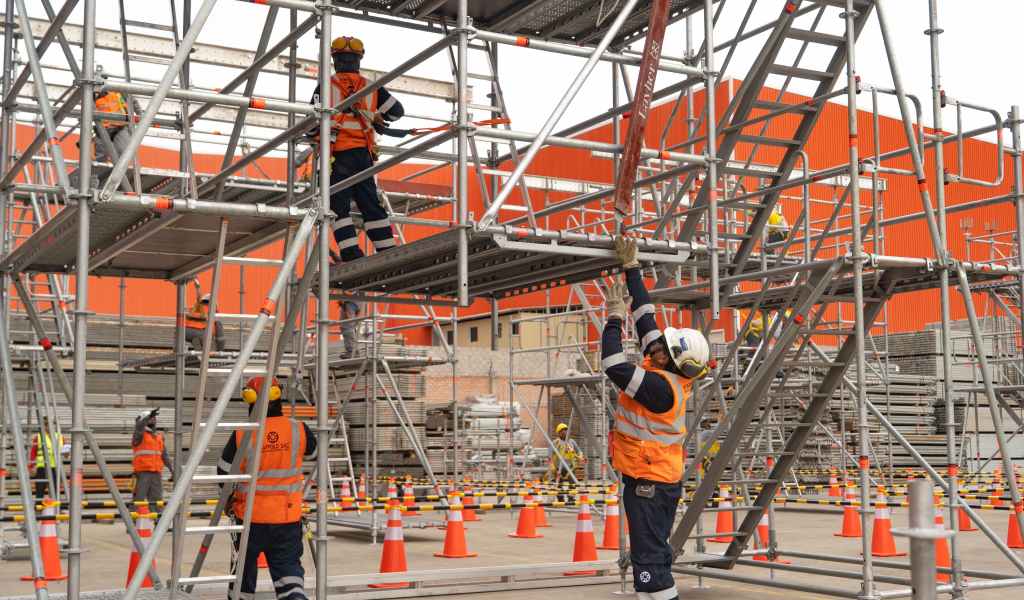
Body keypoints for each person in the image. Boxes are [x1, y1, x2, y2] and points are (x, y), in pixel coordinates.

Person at [602, 236, 711, 600]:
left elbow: (613, 365)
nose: (657, 342)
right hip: (650, 478)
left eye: (664, 345)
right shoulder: (666, 367)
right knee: (649, 562)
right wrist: (632, 269)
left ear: (670, 358)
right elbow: (646, 316)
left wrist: (613, 317)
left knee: (651, 564)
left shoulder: (660, 388)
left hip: (650, 482)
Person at [218, 377, 317, 600]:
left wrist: (228, 501)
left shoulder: (243, 434)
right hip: (287, 518)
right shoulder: (298, 429)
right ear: (278, 396)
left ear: (250, 400)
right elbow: (314, 453)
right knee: (288, 571)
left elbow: (223, 471)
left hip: (249, 520)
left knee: (242, 573)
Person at [308, 36, 405, 262]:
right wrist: (376, 117)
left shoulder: (326, 86)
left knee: (337, 206)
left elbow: (312, 124)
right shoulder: (371, 87)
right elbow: (397, 112)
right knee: (370, 203)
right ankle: (388, 250)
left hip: (338, 156)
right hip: (363, 156)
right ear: (359, 60)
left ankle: (351, 252)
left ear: (335, 59)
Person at [132, 408, 173, 503]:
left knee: (157, 500)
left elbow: (164, 456)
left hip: (156, 473)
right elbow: (139, 426)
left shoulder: (159, 436)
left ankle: (159, 518)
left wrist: (171, 469)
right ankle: (132, 518)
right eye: (151, 418)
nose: (153, 419)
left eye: (154, 418)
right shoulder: (139, 434)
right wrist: (147, 416)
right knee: (139, 499)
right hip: (142, 473)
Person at [29, 416, 67, 500]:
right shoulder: (38, 437)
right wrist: (32, 466)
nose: (47, 426)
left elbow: (65, 454)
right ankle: (38, 508)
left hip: (55, 467)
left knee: (55, 489)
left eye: (49, 424)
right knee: (40, 489)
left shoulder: (60, 437)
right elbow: (33, 453)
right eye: (45, 424)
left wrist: (67, 453)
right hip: (42, 467)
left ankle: (57, 508)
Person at [185, 279, 226, 353]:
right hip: (202, 334)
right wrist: (220, 349)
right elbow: (220, 334)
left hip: (186, 333)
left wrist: (198, 287)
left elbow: (198, 298)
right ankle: (209, 356)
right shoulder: (213, 313)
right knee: (211, 344)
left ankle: (197, 346)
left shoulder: (195, 308)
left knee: (198, 340)